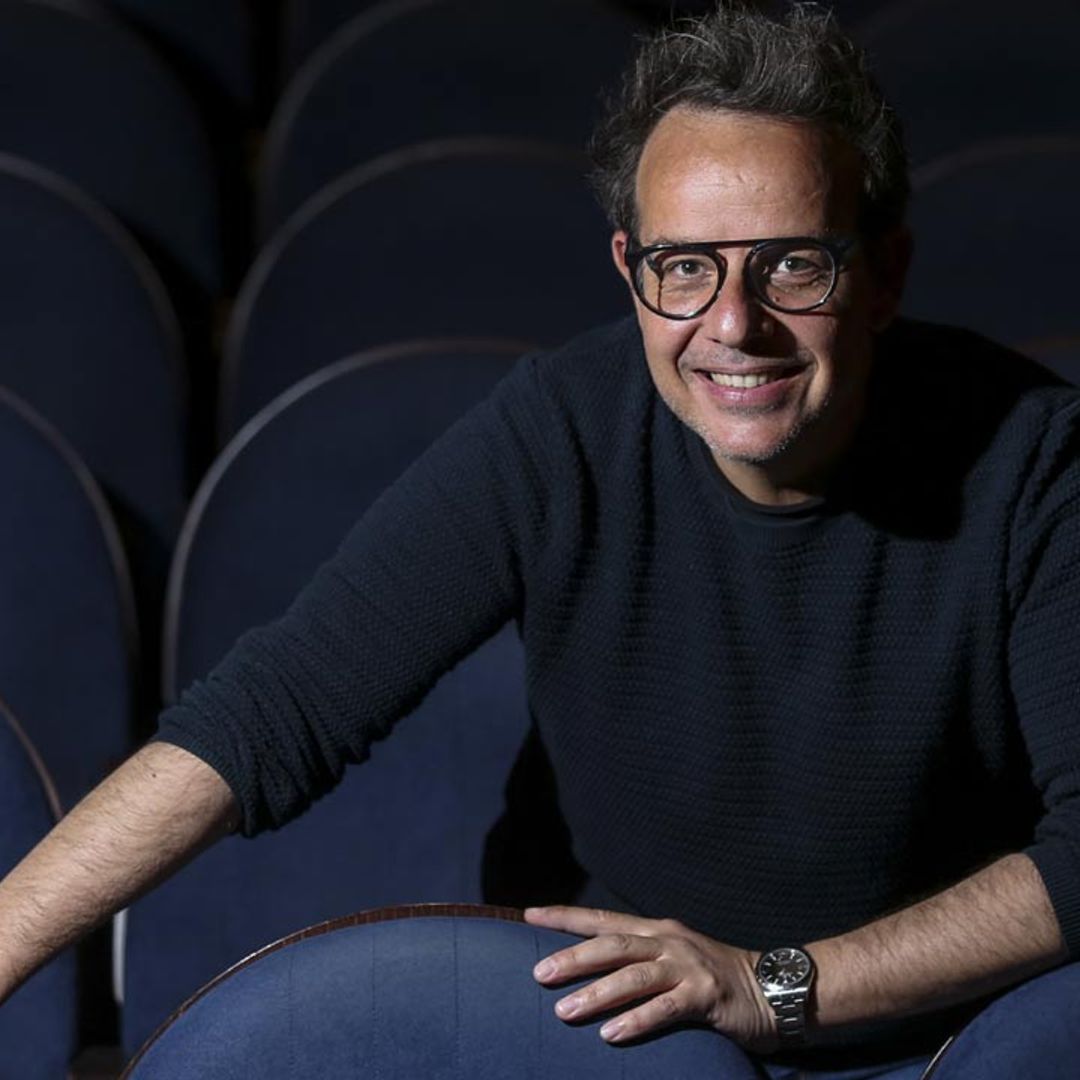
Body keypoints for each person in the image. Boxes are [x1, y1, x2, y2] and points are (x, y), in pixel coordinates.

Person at [1, 3, 1078, 1076]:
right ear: (629, 269)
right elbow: (272, 713)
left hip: (948, 1043)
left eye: (793, 265)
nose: (733, 324)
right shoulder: (562, 431)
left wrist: (772, 984)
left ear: (884, 274)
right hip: (630, 1035)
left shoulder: (1036, 459)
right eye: (684, 266)